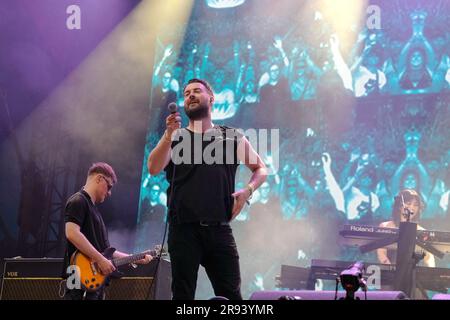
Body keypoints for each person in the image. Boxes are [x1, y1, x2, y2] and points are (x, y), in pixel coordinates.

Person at [147, 78, 267, 300]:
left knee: (232, 297)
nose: (190, 95)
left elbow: (261, 168)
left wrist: (247, 191)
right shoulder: (176, 138)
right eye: (186, 93)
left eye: (196, 91)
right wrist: (167, 136)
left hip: (219, 229)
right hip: (183, 230)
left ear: (211, 99)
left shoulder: (231, 136)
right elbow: (153, 167)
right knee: (182, 297)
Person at [64, 162, 152, 300]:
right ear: (99, 178)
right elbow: (72, 233)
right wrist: (100, 259)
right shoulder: (78, 201)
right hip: (78, 278)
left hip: (94, 282)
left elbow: (106, 251)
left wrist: (136, 258)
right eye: (109, 186)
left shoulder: (95, 212)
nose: (109, 192)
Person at [376, 189, 435, 268]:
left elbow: (429, 257)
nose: (412, 207)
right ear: (400, 206)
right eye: (408, 203)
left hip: (412, 275)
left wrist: (431, 275)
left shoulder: (421, 231)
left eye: (415, 205)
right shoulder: (385, 226)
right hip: (389, 273)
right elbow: (381, 253)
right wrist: (391, 270)